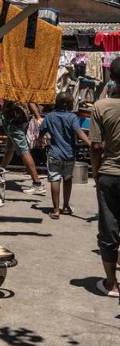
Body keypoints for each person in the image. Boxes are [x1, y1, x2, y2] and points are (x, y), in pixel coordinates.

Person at [90, 58, 120, 298]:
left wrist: (95, 172)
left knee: (109, 229)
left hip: (109, 174)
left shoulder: (100, 107)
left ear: (112, 77)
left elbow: (96, 146)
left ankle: (112, 284)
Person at [38, 92, 91, 219]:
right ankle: (66, 206)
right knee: (67, 179)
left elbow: (41, 131)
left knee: (55, 179)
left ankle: (56, 210)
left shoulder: (50, 116)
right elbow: (79, 133)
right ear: (68, 104)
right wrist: (90, 143)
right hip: (69, 155)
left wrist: (40, 141)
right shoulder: (72, 117)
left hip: (54, 154)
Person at [1, 101, 45, 194]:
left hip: (13, 120)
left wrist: (38, 117)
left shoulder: (13, 93)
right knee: (10, 147)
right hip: (17, 119)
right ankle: (0, 172)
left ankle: (37, 183)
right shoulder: (21, 92)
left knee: (23, 150)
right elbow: (30, 101)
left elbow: (30, 102)